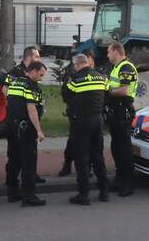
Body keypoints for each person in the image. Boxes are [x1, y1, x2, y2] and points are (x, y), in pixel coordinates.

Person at [64, 53, 109, 205]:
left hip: (81, 122)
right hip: (98, 120)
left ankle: (83, 195)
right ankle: (104, 192)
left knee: (82, 158)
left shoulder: (75, 80)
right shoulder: (102, 77)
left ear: (77, 65)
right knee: (98, 156)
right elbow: (107, 93)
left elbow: (66, 95)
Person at [5, 61, 48, 207]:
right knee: (29, 163)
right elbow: (32, 109)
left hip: (11, 126)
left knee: (14, 160)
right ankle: (28, 196)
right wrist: (39, 130)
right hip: (25, 129)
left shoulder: (15, 83)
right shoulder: (31, 86)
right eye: (41, 74)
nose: (41, 78)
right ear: (33, 71)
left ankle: (12, 192)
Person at [58, 49, 97, 177]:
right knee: (73, 141)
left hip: (91, 114)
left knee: (91, 143)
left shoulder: (96, 73)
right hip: (76, 113)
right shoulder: (72, 74)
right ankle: (68, 163)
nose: (89, 62)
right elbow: (66, 92)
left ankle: (87, 167)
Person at [106, 42, 138, 197]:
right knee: (116, 147)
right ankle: (119, 178)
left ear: (115, 52)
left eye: (108, 52)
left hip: (123, 110)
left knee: (124, 149)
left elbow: (123, 91)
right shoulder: (116, 67)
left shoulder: (126, 68)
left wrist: (108, 92)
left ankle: (128, 182)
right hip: (115, 111)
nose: (107, 55)